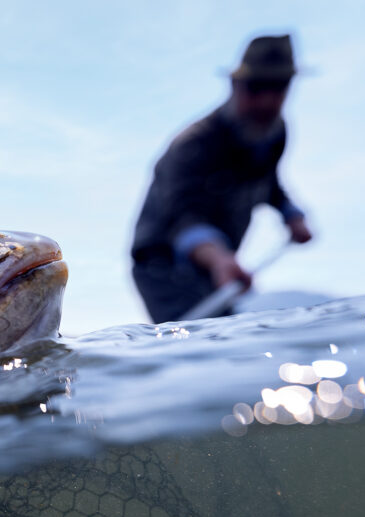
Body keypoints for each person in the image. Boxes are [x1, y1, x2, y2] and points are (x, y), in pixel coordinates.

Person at [130, 34, 313, 323]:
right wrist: (219, 258)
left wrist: (292, 214)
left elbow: (270, 184)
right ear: (235, 85)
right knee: (193, 344)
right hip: (162, 265)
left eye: (278, 88)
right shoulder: (193, 144)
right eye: (256, 88)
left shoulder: (276, 134)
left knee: (223, 339)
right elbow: (183, 217)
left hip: (214, 267)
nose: (266, 100)